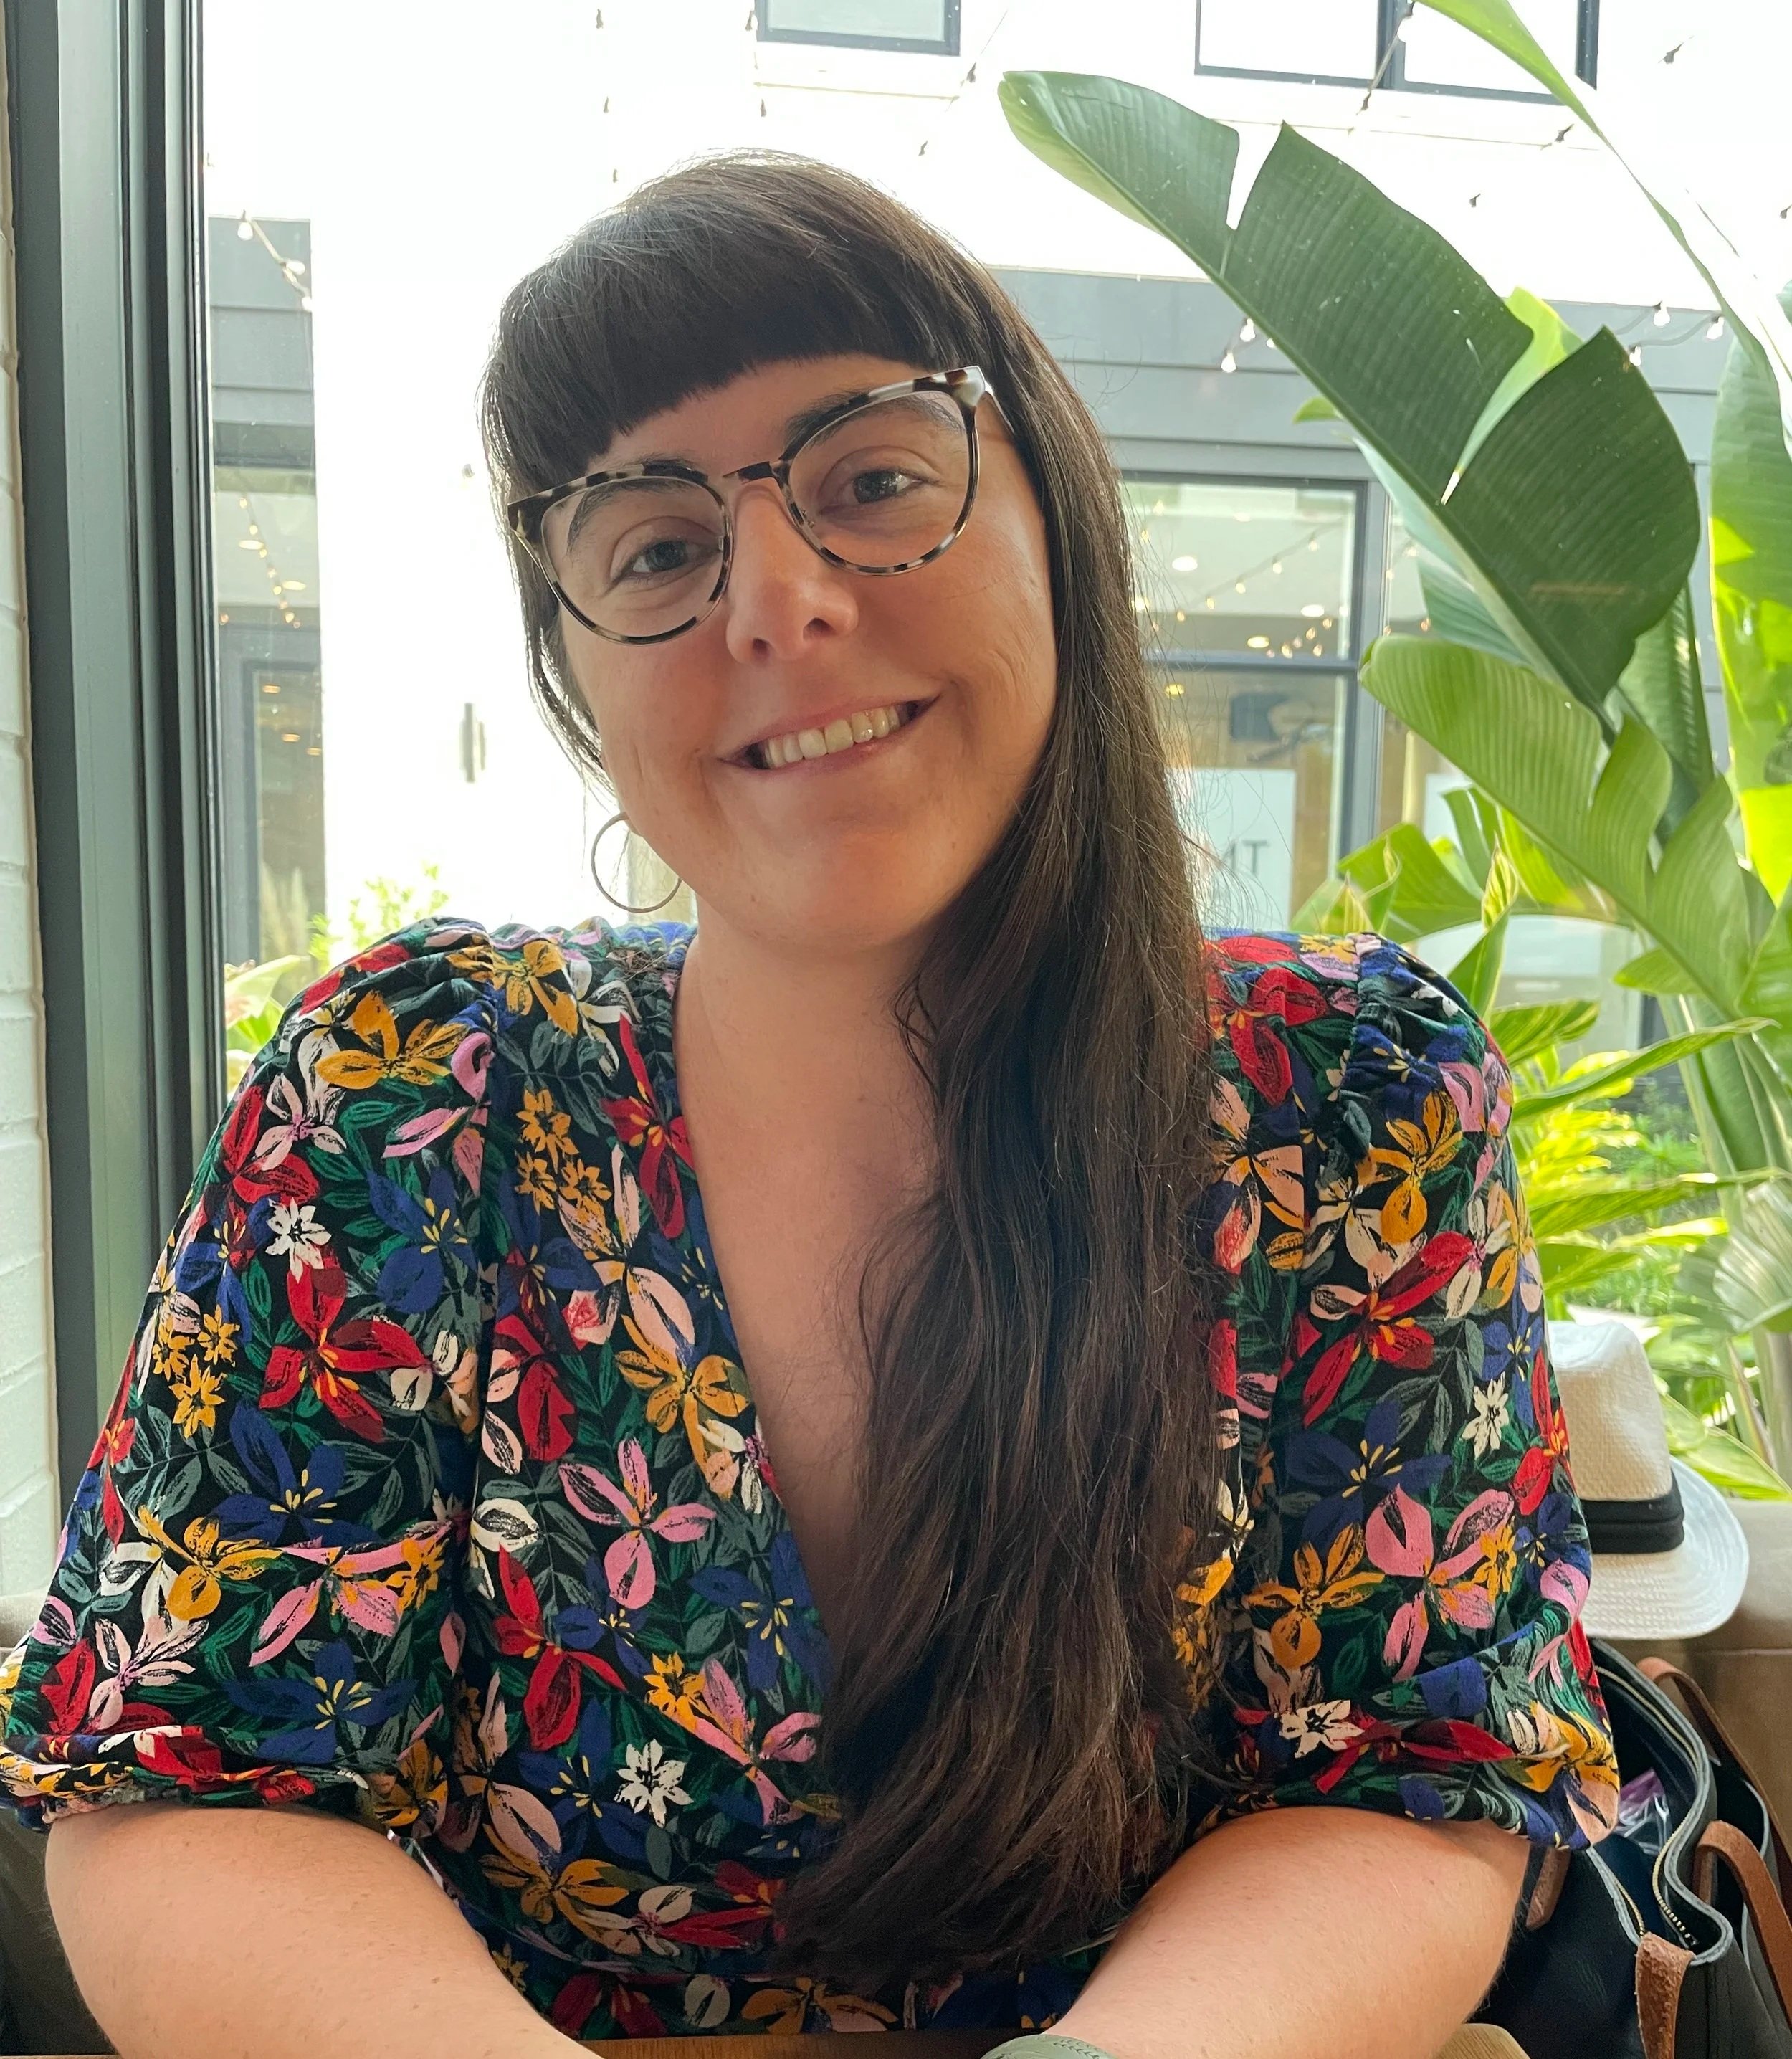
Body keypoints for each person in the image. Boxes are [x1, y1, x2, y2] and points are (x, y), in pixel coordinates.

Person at [0, 151, 1617, 2058]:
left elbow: (1412, 1767)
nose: (779, 601)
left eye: (872, 478)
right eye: (657, 545)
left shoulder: (1345, 1101)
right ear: (577, 666)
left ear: (1056, 520)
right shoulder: (404, 1090)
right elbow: (190, 1776)